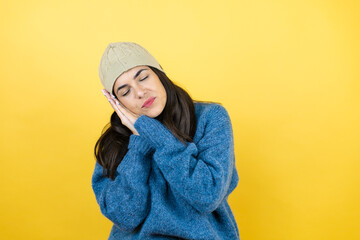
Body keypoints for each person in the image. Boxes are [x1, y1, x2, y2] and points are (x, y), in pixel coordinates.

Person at [91, 42, 240, 240]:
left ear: (159, 72)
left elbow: (207, 195)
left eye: (143, 77)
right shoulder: (114, 144)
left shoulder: (210, 118)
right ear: (117, 103)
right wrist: (139, 144)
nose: (139, 92)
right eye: (125, 92)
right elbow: (126, 218)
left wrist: (152, 133)